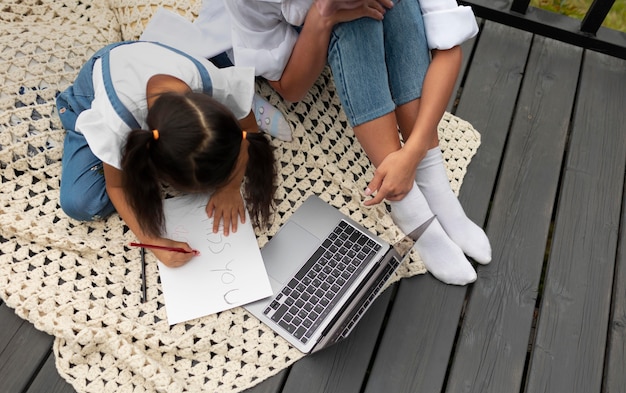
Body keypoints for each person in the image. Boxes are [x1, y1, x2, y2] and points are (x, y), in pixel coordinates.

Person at [224, 0, 491, 285]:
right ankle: (405, 200)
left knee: (397, 6)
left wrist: (413, 153)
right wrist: (323, 14)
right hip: (305, 43)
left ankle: (432, 181)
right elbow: (289, 87)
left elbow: (448, 48)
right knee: (355, 23)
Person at [56, 41, 277, 268]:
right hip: (97, 81)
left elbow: (247, 132)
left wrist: (230, 187)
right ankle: (80, 123)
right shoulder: (118, 124)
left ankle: (243, 102)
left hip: (144, 61)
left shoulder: (215, 84)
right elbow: (117, 187)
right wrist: (154, 241)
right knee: (80, 202)